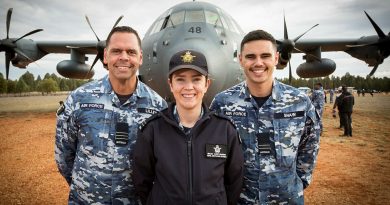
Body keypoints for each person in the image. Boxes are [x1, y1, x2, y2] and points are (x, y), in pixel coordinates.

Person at [55, 26, 167, 204]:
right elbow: (64, 156)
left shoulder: (158, 107)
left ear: (140, 58)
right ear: (105, 56)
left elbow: (161, 161)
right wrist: (85, 187)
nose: (124, 57)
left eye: (131, 51)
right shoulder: (79, 99)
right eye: (116, 51)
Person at [210, 30, 321, 204]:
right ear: (241, 60)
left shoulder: (299, 102)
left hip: (286, 199)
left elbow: (310, 145)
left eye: (265, 56)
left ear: (276, 58)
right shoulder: (222, 103)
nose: (258, 63)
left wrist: (296, 182)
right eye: (251, 57)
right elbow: (214, 150)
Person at [133, 50, 244, 205]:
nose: (189, 87)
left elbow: (234, 182)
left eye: (196, 79)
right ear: (170, 84)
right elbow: (142, 181)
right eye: (180, 80)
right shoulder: (153, 129)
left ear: (206, 84)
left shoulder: (225, 130)